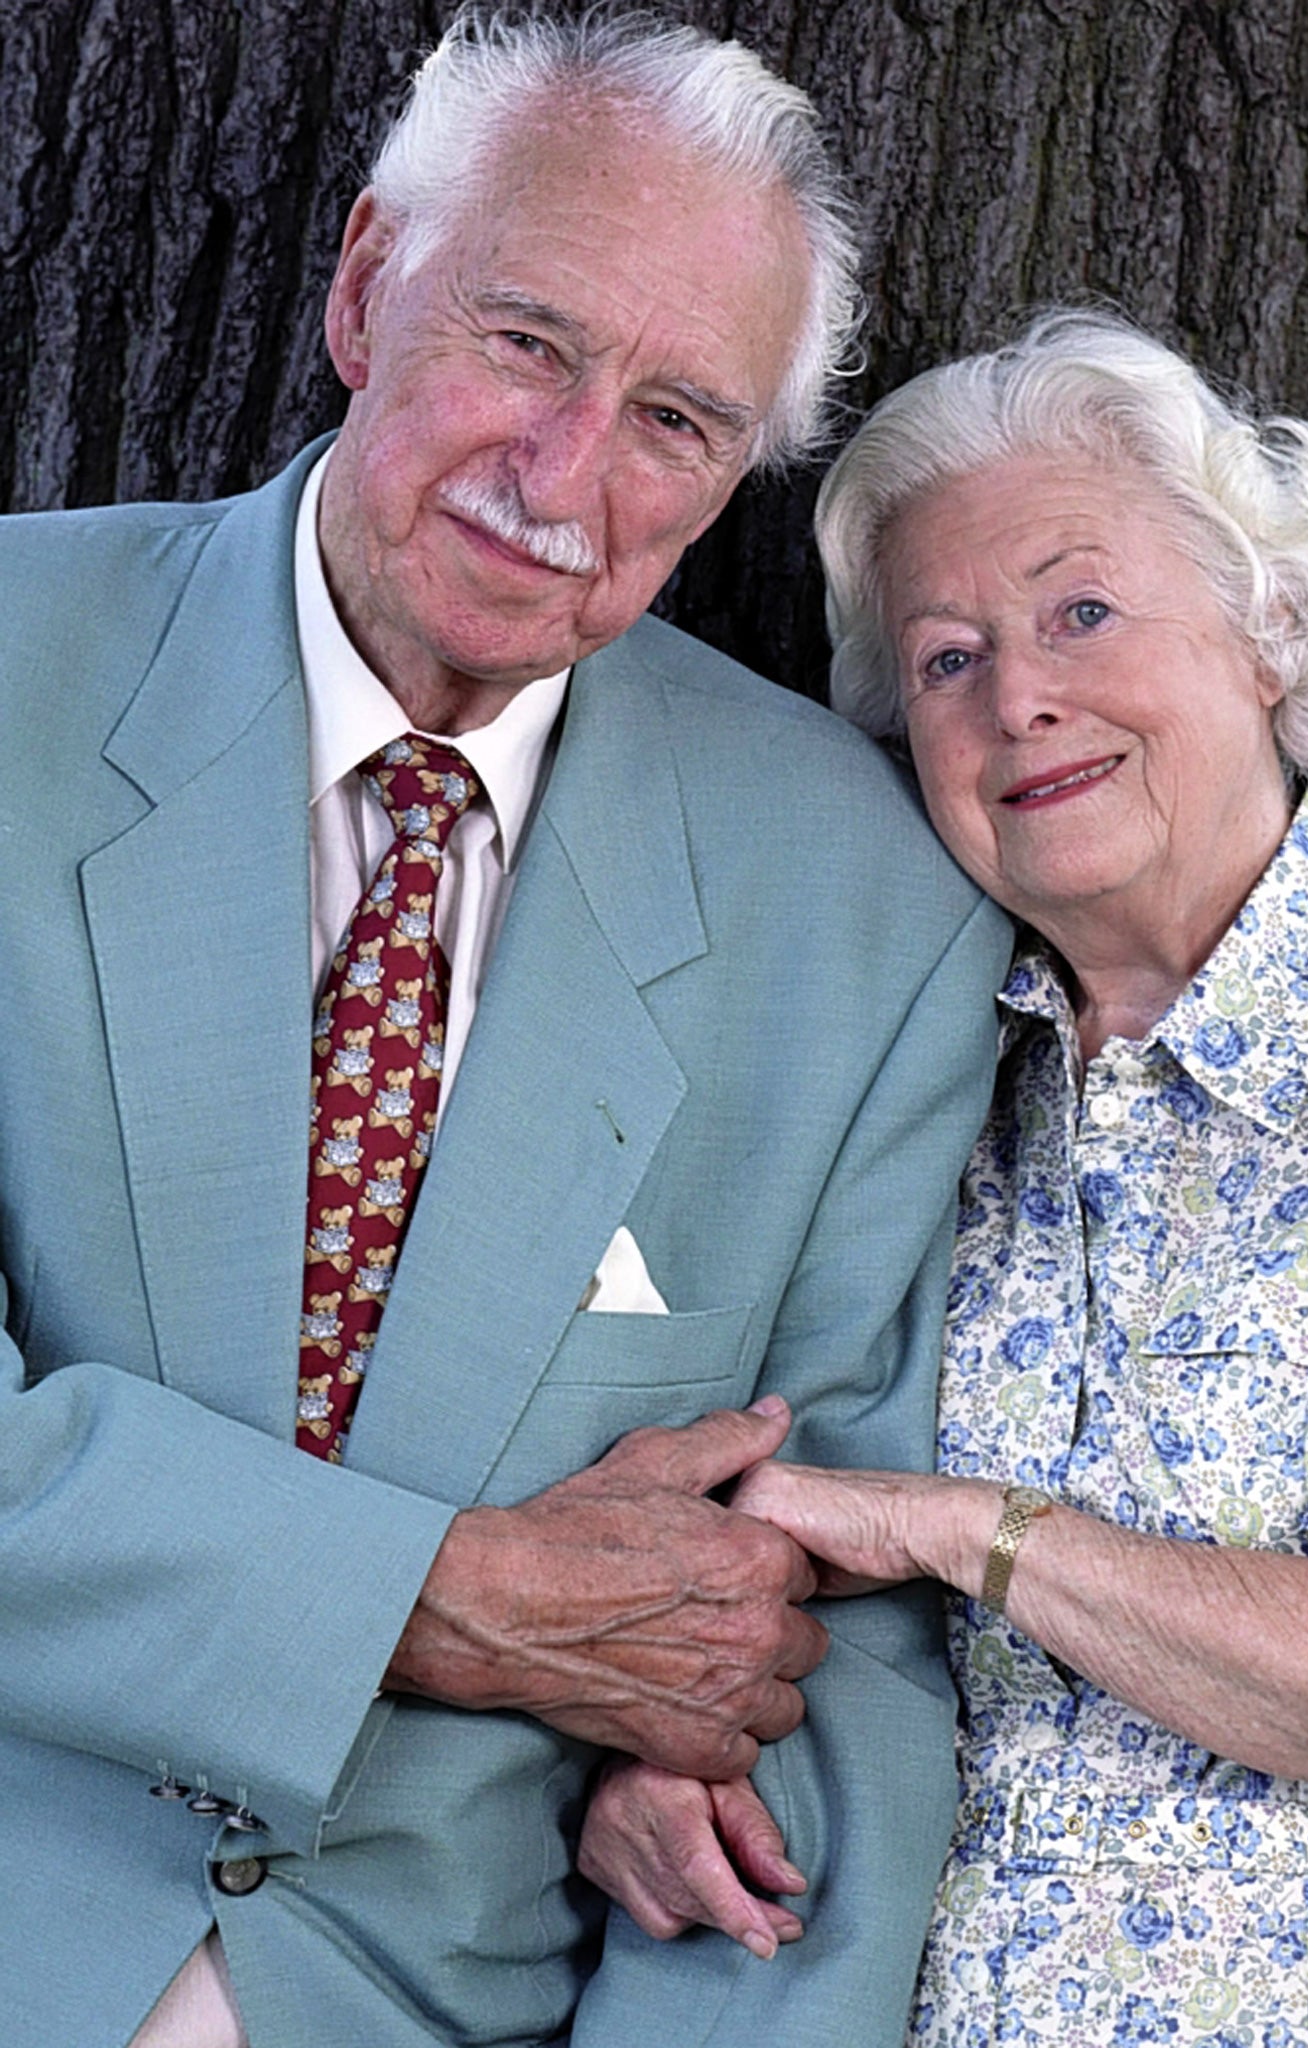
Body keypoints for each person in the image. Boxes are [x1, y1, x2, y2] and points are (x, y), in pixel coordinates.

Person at [0, 12, 1012, 2046]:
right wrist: (435, 1605)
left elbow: (834, 1643)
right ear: (367, 288)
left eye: (678, 420)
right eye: (527, 345)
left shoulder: (866, 900)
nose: (567, 480)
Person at [579, 310, 1308, 2043]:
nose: (1018, 694)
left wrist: (956, 1530)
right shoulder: (926, 1074)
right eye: (945, 659)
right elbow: (769, 1542)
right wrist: (676, 1741)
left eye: (1083, 611)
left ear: (1268, 630)